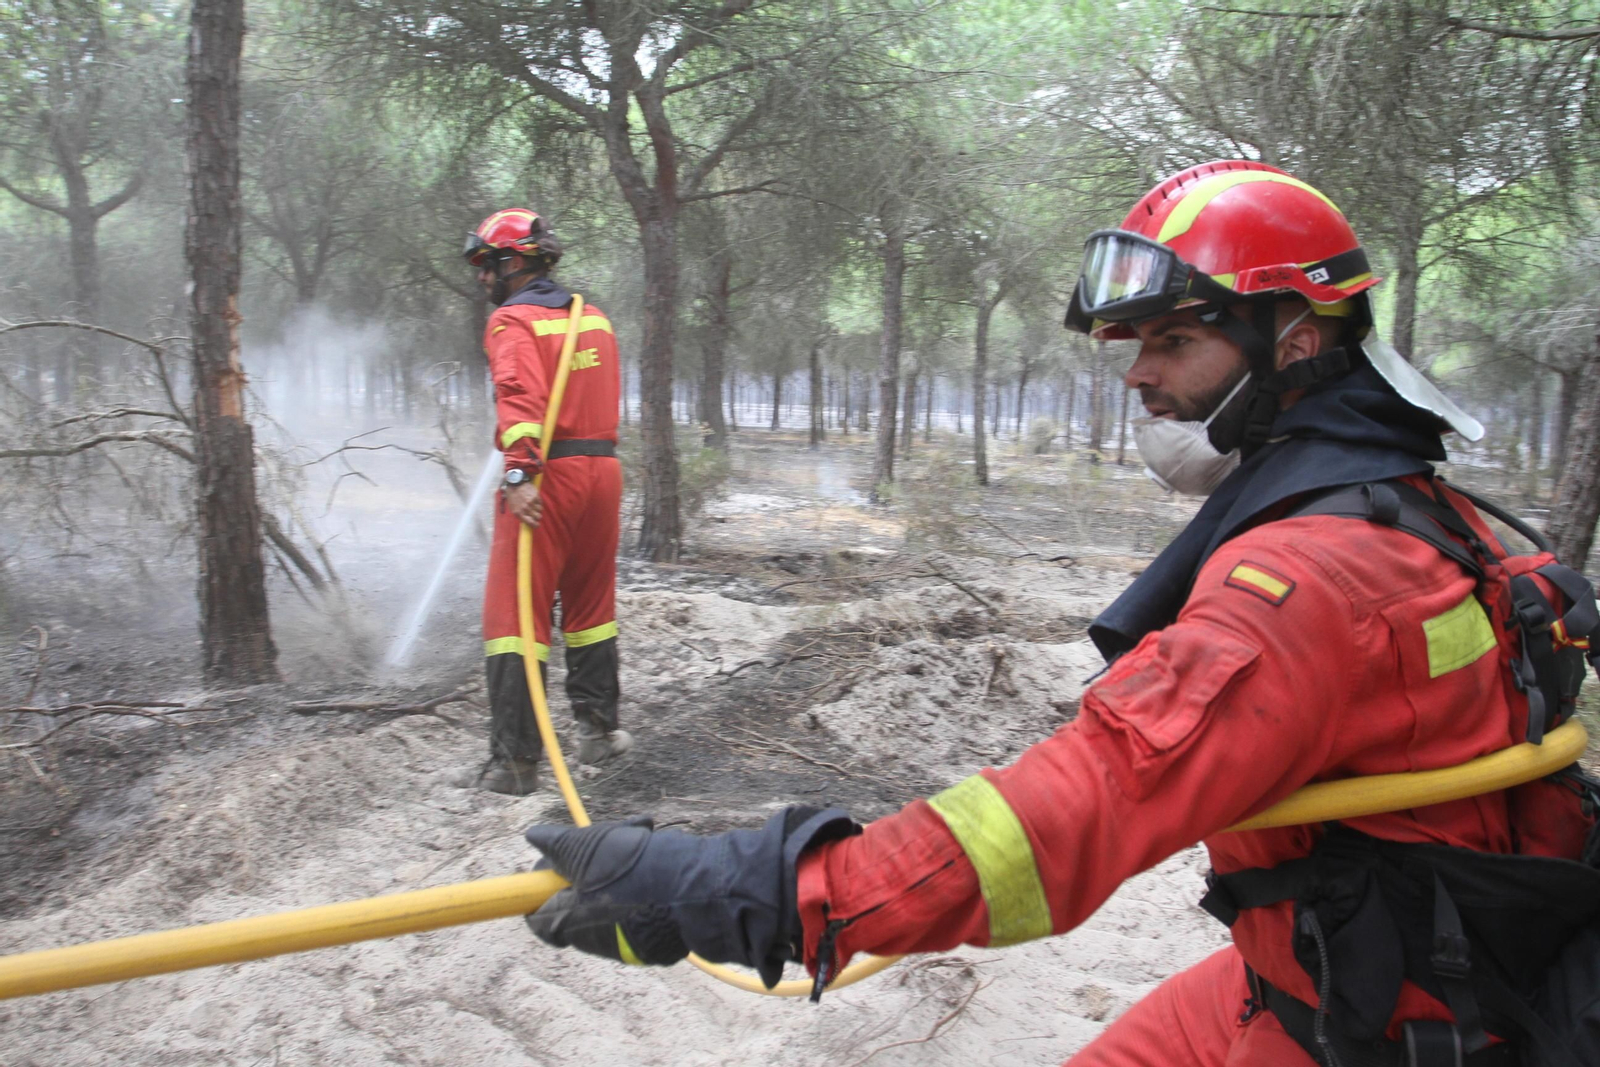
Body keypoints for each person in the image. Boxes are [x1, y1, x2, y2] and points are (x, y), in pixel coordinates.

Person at [517, 163, 1600, 1064]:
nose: (1139, 376)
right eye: (1133, 347)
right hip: (1330, 967)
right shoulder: (1416, 503)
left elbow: (1061, 820)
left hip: (1372, 1026)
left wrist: (754, 891)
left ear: (1297, 336)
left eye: (1173, 342)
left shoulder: (1311, 579)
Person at [456, 207, 631, 796]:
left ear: (517, 263)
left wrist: (519, 474)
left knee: (514, 617)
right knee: (590, 606)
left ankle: (514, 764)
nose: (483, 279)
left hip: (546, 476)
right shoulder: (595, 318)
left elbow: (518, 392)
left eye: (489, 265)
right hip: (602, 472)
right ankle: (599, 733)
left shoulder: (513, 321)